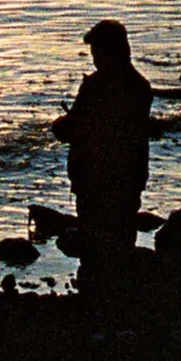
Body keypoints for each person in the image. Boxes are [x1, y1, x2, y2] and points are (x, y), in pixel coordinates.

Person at [60, 17, 154, 317]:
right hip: (129, 177)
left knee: (95, 246)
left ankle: (95, 313)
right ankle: (121, 312)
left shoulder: (96, 87)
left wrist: (60, 126)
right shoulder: (141, 87)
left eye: (96, 52)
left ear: (108, 51)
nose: (94, 59)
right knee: (121, 243)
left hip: (94, 179)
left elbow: (73, 128)